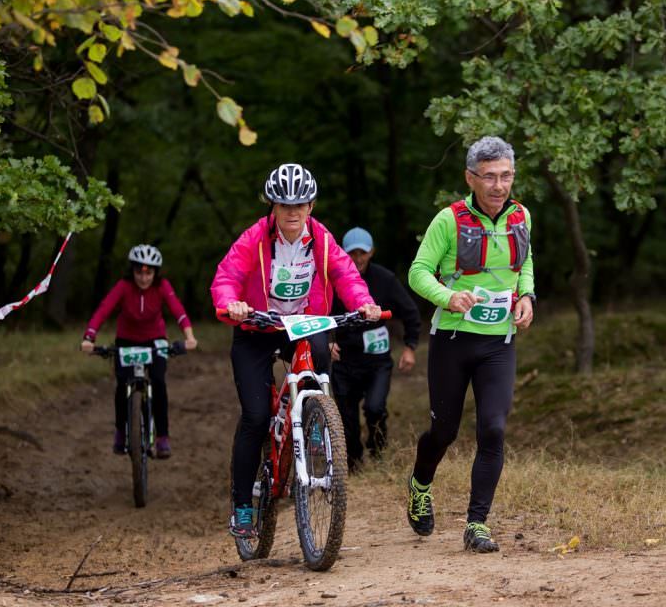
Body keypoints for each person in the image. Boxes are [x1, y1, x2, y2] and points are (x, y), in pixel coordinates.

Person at [211, 163, 381, 539]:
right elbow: (227, 277)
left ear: (311, 205)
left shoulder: (320, 239)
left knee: (322, 348)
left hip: (302, 325)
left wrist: (365, 303)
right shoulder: (254, 238)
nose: (292, 212)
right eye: (284, 204)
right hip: (257, 326)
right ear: (272, 206)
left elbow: (346, 275)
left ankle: (318, 420)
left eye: (300, 204)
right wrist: (231, 303)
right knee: (255, 416)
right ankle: (242, 506)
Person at [405, 136, 536, 553]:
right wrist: (448, 298)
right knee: (443, 431)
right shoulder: (450, 220)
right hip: (453, 341)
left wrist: (527, 297)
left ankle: (477, 522)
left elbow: (525, 262)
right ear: (471, 178)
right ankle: (421, 483)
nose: (499, 186)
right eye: (490, 177)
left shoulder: (521, 216)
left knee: (493, 430)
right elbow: (418, 272)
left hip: (499, 343)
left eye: (506, 176)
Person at [81, 244, 198, 458]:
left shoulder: (162, 286)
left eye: (149, 273)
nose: (144, 278)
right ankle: (120, 431)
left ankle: (162, 437)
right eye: (139, 272)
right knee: (121, 385)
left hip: (155, 340)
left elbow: (177, 310)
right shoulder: (124, 286)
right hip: (126, 340)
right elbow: (104, 309)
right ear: (132, 271)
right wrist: (89, 337)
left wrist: (189, 336)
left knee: (159, 382)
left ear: (156, 273)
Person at [329, 227, 421, 471]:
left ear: (372, 252)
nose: (358, 259)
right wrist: (327, 340)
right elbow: (318, 312)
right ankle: (353, 463)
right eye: (353, 253)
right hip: (344, 360)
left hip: (377, 361)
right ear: (343, 254)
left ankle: (379, 452)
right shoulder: (332, 280)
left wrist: (410, 347)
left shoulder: (385, 279)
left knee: (375, 408)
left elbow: (410, 312)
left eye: (363, 252)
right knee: (346, 417)